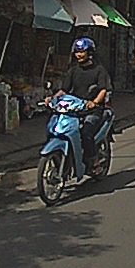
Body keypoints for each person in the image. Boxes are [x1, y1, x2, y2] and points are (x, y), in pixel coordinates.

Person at [50, 36, 111, 171]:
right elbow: (64, 90)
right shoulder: (73, 70)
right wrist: (52, 98)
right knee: (56, 128)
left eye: (82, 51)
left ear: (90, 53)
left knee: (86, 133)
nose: (79, 54)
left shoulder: (99, 70)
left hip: (92, 110)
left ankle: (94, 162)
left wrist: (94, 102)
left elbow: (103, 90)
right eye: (77, 52)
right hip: (74, 109)